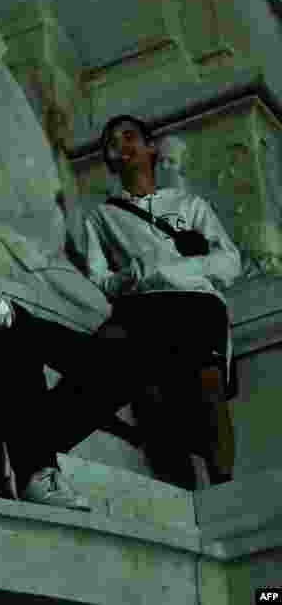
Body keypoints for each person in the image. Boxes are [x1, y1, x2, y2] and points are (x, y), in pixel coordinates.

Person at [0, 222, 190, 510]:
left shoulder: (6, 318)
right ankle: (36, 471)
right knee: (6, 333)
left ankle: (36, 463)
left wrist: (128, 350)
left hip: (21, 420)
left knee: (117, 360)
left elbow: (77, 353)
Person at [81, 115, 242, 488]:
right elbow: (98, 280)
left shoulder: (189, 204)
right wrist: (137, 272)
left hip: (197, 303)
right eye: (112, 141)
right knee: (153, 399)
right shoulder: (102, 216)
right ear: (109, 159)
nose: (122, 145)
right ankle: (186, 492)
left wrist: (181, 267)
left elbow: (229, 262)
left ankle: (225, 490)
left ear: (150, 147)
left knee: (209, 387)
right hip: (145, 306)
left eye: (130, 136)